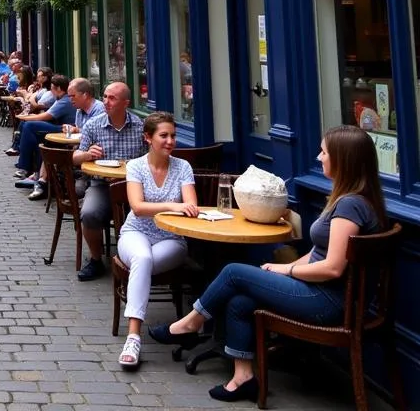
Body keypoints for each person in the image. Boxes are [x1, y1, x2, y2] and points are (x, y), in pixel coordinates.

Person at [150, 124, 387, 403]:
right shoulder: (352, 200)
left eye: (324, 152)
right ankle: (243, 379)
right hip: (327, 294)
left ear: (343, 159)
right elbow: (318, 254)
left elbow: (332, 267)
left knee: (233, 271)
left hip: (329, 302)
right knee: (239, 301)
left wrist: (286, 269)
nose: (319, 157)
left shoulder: (350, 206)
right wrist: (287, 271)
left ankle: (189, 324)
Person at [114, 112, 198, 370]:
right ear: (148, 138)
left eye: (173, 135)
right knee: (142, 257)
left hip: (172, 238)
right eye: (164, 135)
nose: (170, 141)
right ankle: (133, 336)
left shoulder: (183, 167)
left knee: (143, 263)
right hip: (135, 233)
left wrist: (176, 207)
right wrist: (175, 206)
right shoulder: (136, 166)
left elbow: (192, 206)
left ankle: (134, 337)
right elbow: (138, 208)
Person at [74, 81, 148, 280]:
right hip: (102, 184)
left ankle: (144, 262)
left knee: (149, 215)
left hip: (135, 185)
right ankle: (96, 260)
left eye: (112, 98)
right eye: (105, 96)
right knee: (89, 213)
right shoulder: (93, 125)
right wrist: (87, 154)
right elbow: (75, 157)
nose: (106, 101)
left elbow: (151, 158)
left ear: (126, 103)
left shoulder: (141, 127)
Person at [27, 78, 104, 202]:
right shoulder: (79, 111)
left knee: (54, 148)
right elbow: (81, 130)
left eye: (73, 96)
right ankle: (43, 181)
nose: (70, 99)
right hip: (79, 147)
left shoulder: (99, 109)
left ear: (85, 95)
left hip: (92, 152)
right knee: (49, 145)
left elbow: (95, 134)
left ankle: (46, 183)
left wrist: (77, 131)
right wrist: (74, 129)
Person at [11, 74, 72, 183]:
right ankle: (31, 169)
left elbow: (46, 116)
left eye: (52, 88)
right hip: (60, 126)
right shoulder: (60, 98)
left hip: (66, 129)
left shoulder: (64, 101)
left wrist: (28, 117)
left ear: (58, 89)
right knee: (28, 128)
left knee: (29, 125)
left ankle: (24, 166)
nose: (51, 91)